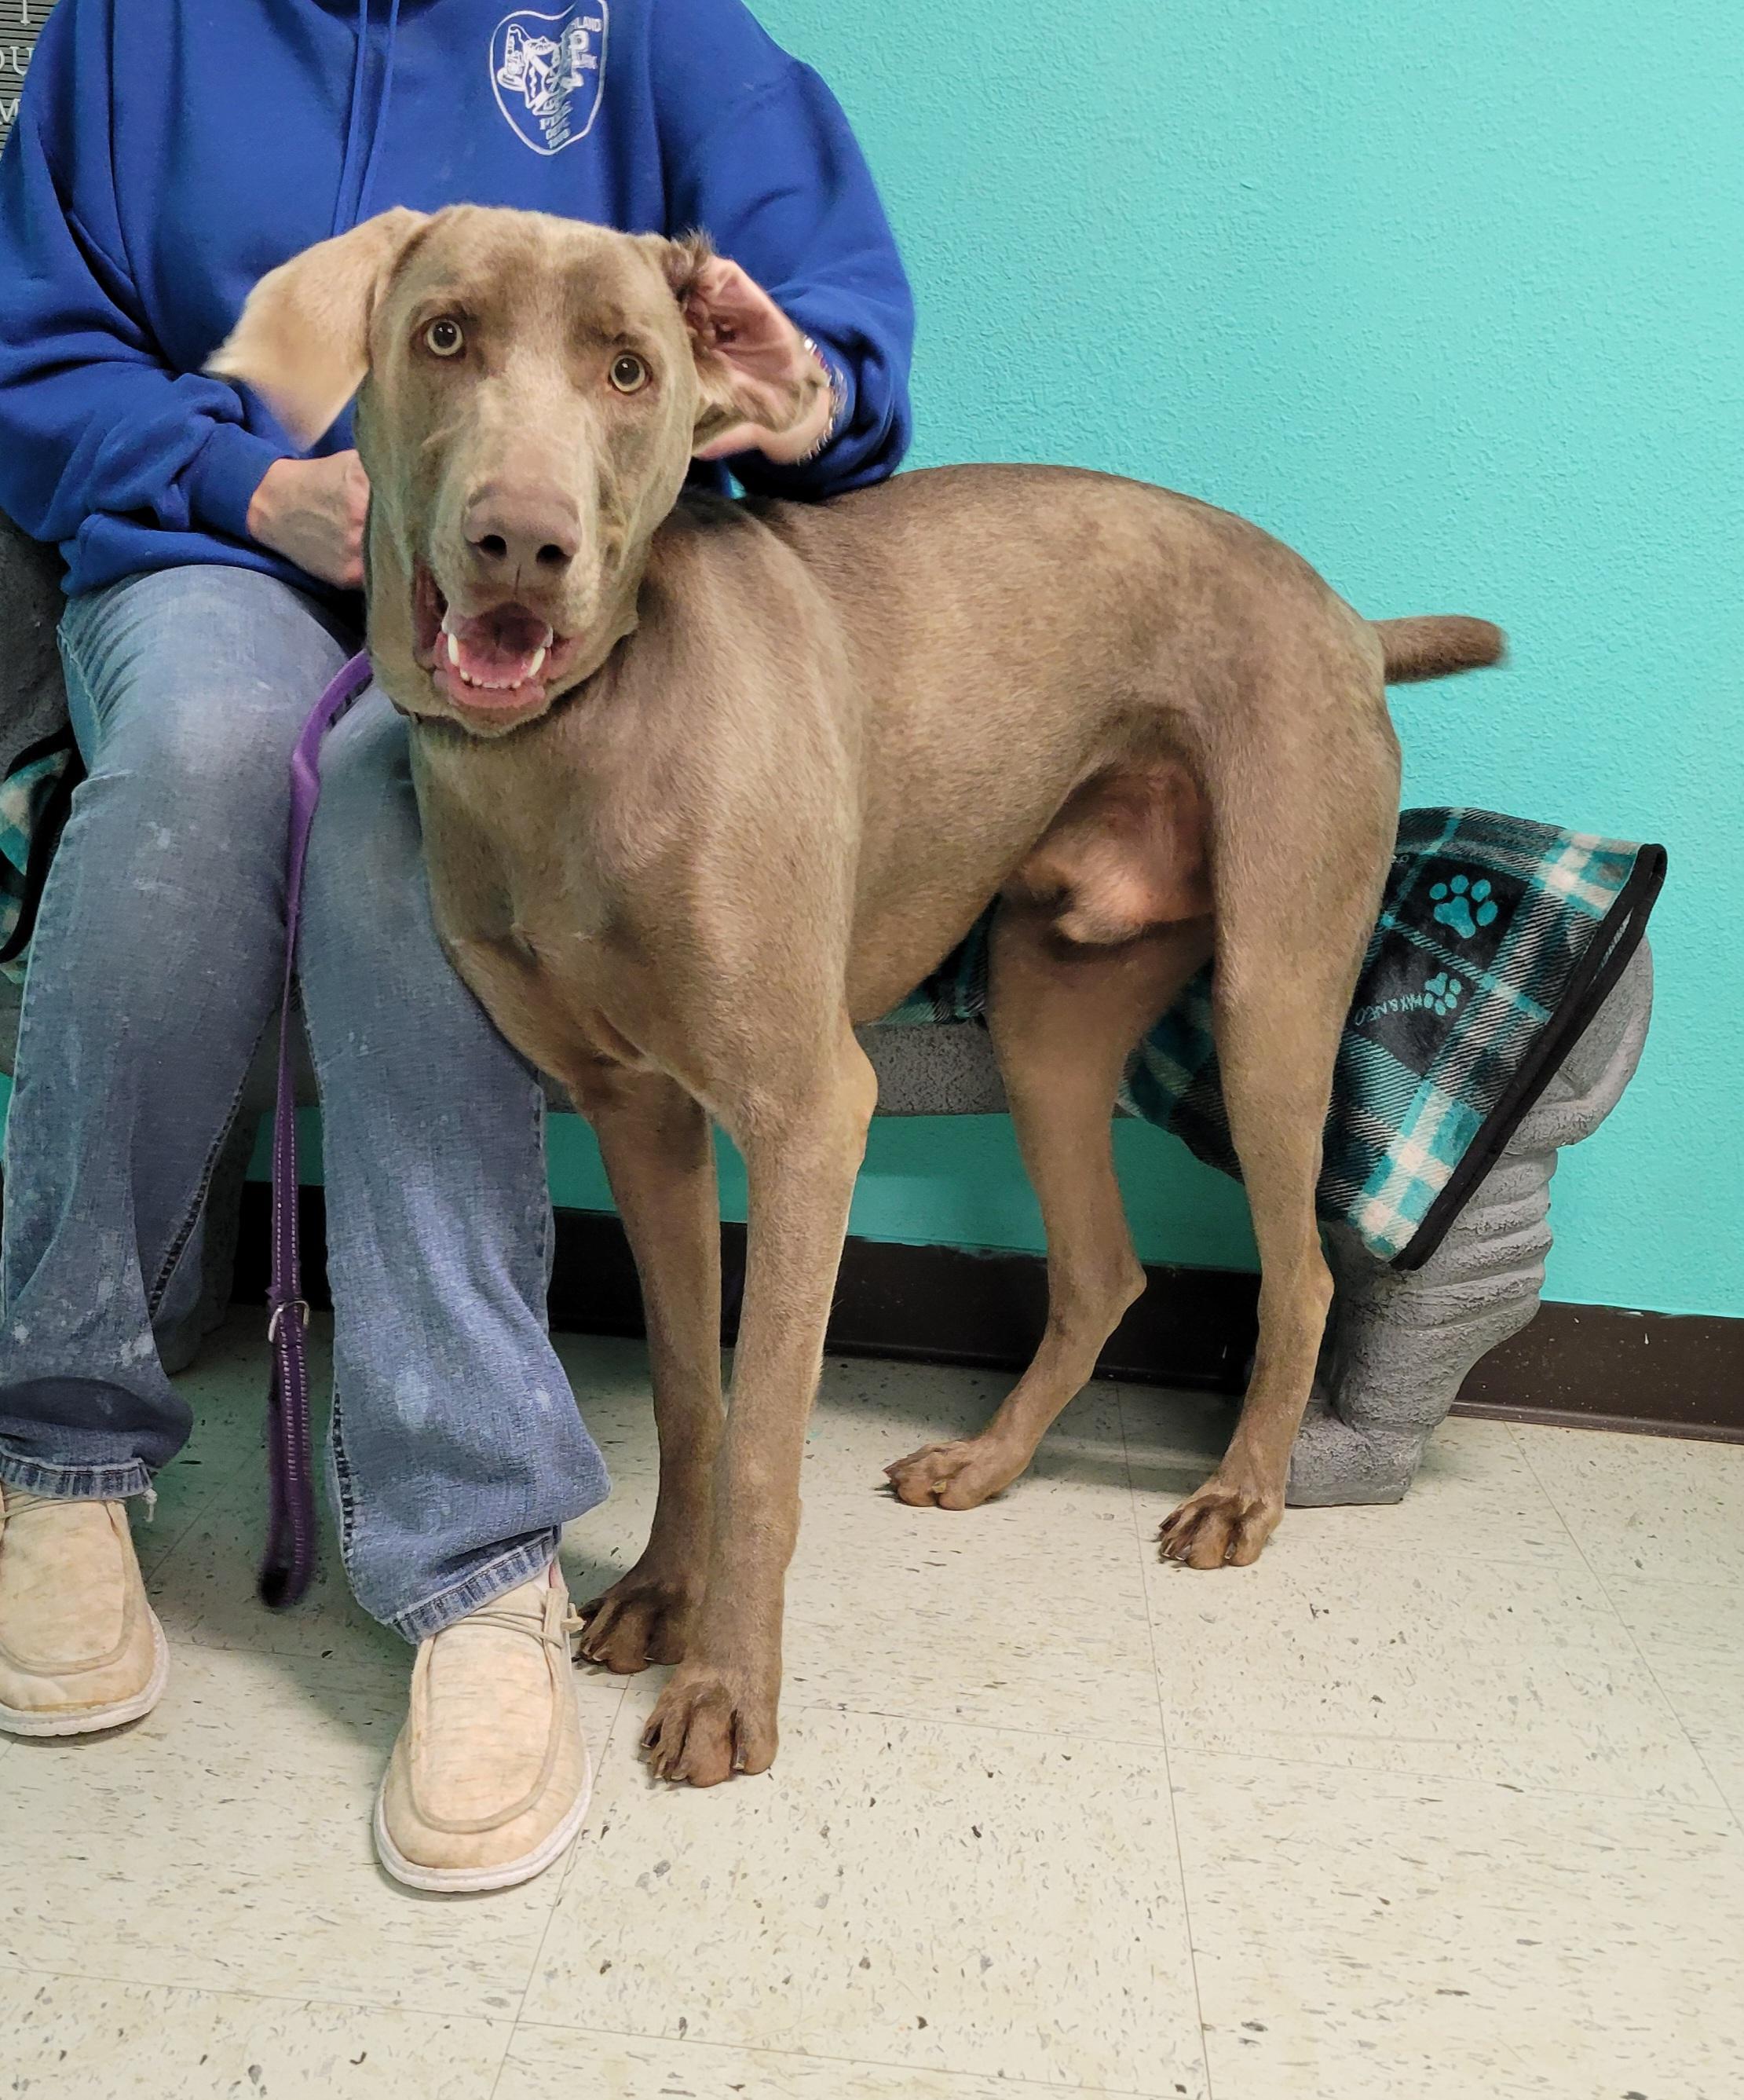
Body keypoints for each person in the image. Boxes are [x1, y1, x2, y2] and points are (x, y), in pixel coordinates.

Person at [0, 0, 912, 1892]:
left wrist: (809, 384)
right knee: (213, 751)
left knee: (407, 799)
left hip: (546, 591)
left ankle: (478, 1556)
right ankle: (60, 1447)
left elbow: (826, 323)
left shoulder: (654, 33)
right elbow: (29, 347)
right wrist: (247, 481)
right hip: (218, 541)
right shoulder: (126, 29)